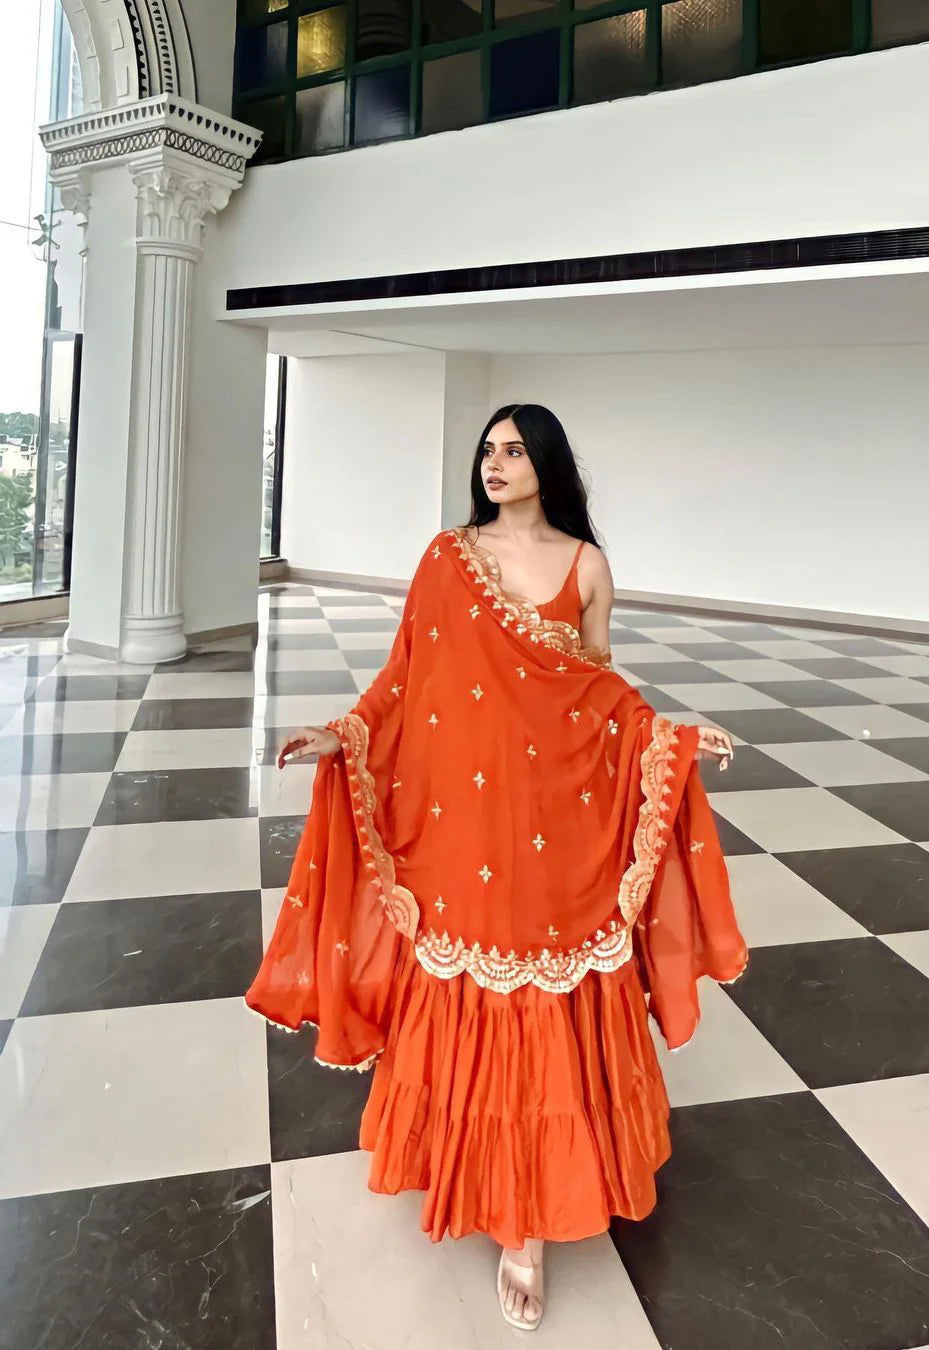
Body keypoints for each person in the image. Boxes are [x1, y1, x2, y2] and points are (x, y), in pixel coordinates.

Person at [247, 404, 748, 1331]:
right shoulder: (448, 558)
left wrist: (669, 737)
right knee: (470, 974)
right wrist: (345, 732)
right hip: (464, 818)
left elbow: (598, 690)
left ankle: (528, 1226)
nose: (495, 463)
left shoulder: (586, 566)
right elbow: (405, 678)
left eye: (514, 451)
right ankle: (482, 1184)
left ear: (547, 463)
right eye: (488, 450)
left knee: (545, 982)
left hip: (556, 813)